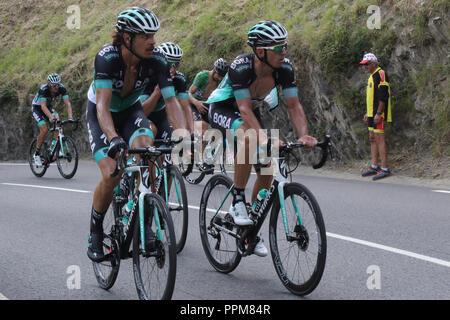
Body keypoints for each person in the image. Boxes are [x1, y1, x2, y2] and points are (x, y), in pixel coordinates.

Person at [206, 20, 317, 257]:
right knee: (249, 139)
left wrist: (303, 135)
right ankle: (237, 200)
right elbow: (243, 109)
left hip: (249, 110)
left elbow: (294, 105)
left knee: (266, 169)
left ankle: (251, 229)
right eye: (278, 48)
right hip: (224, 107)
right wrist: (265, 138)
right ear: (260, 51)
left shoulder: (284, 69)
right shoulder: (241, 66)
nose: (284, 51)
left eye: (285, 46)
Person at [86, 7, 187, 262]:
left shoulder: (157, 61)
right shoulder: (107, 58)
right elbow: (102, 105)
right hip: (102, 113)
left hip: (131, 111)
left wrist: (184, 134)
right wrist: (113, 138)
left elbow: (171, 101)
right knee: (111, 173)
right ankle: (95, 231)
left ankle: (146, 222)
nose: (153, 41)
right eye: (145, 36)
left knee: (148, 149)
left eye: (154, 35)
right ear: (127, 38)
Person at [140, 42, 194, 141]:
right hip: (143, 114)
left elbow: (186, 107)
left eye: (176, 64)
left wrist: (192, 132)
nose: (172, 69)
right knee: (152, 131)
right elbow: (141, 112)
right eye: (169, 63)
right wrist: (158, 92)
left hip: (161, 116)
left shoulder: (179, 79)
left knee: (172, 143)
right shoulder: (147, 76)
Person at [189, 58, 229, 170]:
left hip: (208, 106)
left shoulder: (221, 81)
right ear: (214, 70)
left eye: (223, 76)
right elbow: (188, 93)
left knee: (216, 131)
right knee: (202, 128)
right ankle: (198, 159)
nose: (221, 78)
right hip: (194, 104)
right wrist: (196, 103)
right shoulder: (202, 76)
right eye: (219, 75)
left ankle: (204, 155)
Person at [360, 53, 392, 180]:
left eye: (367, 64)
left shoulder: (381, 73)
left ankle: (385, 168)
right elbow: (371, 98)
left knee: (379, 138)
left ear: (374, 63)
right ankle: (374, 166)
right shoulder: (372, 76)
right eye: (364, 65)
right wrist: (368, 113)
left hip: (379, 114)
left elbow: (383, 96)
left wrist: (379, 113)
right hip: (372, 113)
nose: (365, 67)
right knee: (372, 138)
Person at [31, 73, 73, 166]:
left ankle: (53, 147)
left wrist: (70, 117)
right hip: (37, 108)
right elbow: (42, 106)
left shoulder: (61, 88)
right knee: (44, 128)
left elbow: (67, 104)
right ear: (49, 84)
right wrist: (51, 117)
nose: (56, 87)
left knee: (58, 121)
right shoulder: (44, 89)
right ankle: (36, 154)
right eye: (54, 85)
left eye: (58, 84)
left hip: (48, 107)